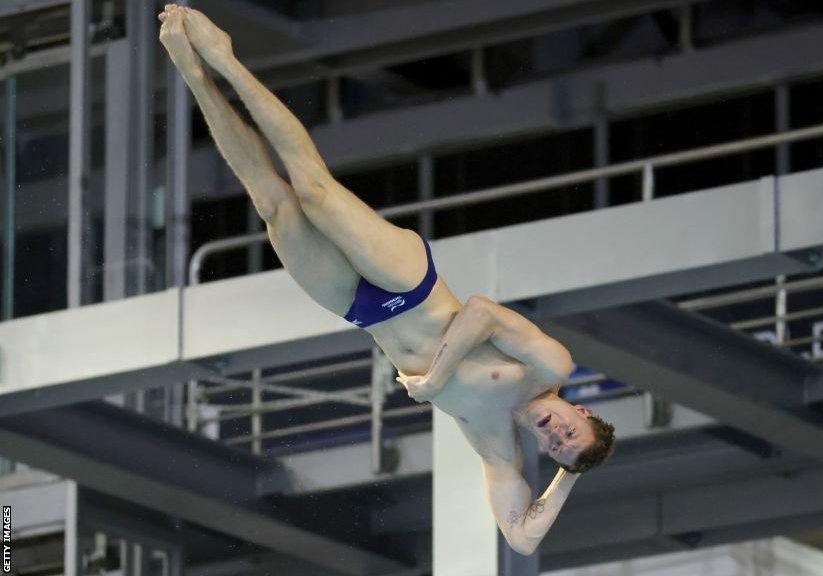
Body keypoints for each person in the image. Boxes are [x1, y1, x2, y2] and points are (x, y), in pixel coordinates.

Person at [157, 4, 615, 555]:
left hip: (363, 311)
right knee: (314, 191)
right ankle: (225, 59)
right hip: (410, 285)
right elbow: (481, 313)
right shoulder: (549, 367)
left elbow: (521, 538)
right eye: (571, 429)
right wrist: (436, 379)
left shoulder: (495, 442)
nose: (555, 433)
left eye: (557, 446)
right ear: (580, 408)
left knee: (273, 204)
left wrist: (576, 469)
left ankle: (191, 71)